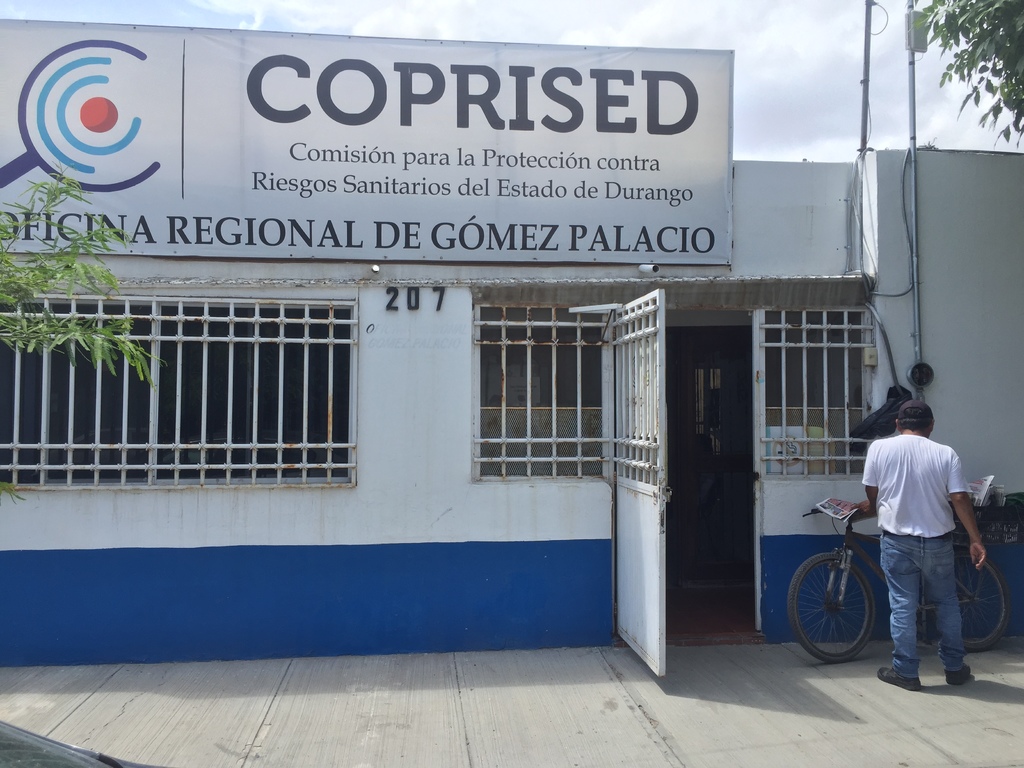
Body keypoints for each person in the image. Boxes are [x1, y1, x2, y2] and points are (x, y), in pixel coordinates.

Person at [859, 399, 987, 691]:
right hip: (937, 542)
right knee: (947, 604)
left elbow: (872, 491)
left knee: (903, 607)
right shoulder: (945, 453)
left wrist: (881, 505)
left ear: (897, 424)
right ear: (931, 426)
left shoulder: (879, 448)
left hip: (897, 542)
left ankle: (906, 672)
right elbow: (959, 498)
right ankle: (954, 668)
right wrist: (975, 539)